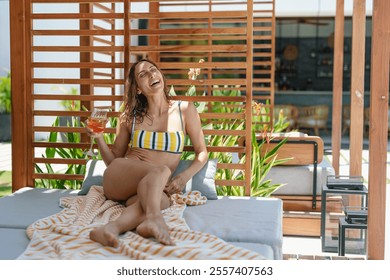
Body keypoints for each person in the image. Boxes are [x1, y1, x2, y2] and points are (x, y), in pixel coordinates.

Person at [87, 59, 208, 247]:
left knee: (160, 200)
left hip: (151, 187)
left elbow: (202, 153)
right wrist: (99, 138)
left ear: (161, 75)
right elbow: (114, 161)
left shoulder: (184, 110)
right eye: (143, 74)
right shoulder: (129, 116)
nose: (151, 74)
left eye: (153, 70)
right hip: (119, 179)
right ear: (137, 89)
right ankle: (155, 220)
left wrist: (184, 177)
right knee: (162, 170)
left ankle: (111, 229)